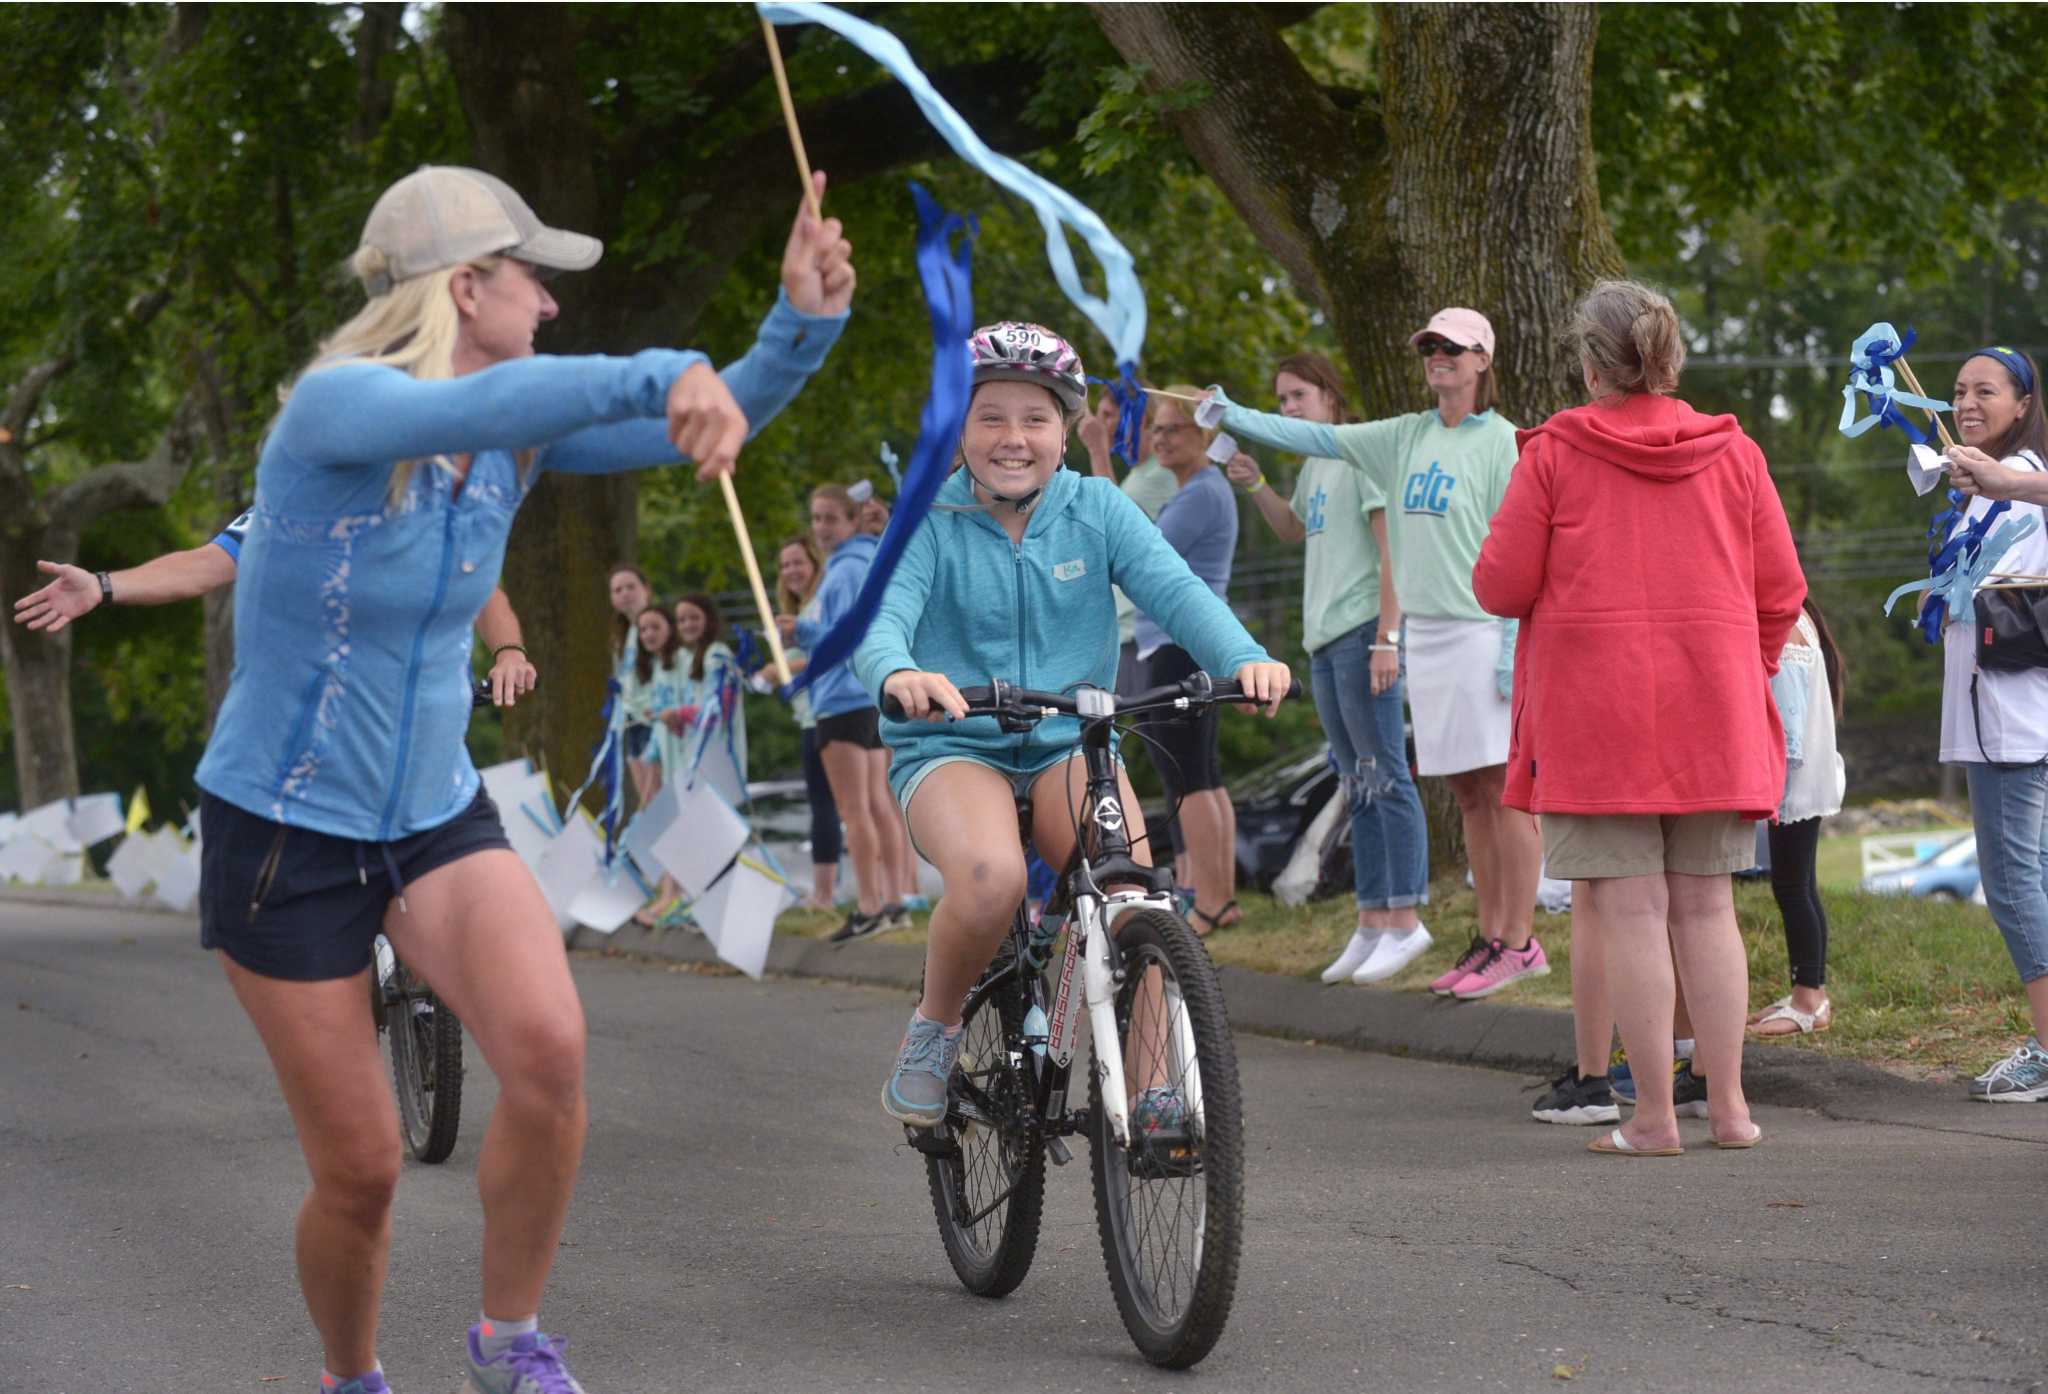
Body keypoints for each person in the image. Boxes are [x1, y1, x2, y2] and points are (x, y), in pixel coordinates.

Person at [185, 163, 851, 1393]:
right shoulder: (333, 410)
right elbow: (581, 393)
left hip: (432, 810)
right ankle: (351, 1376)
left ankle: (506, 1341)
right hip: (282, 830)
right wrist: (663, 366)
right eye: (534, 280)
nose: (549, 305)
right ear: (467, 285)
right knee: (365, 1168)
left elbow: (708, 414)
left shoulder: (515, 432)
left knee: (548, 1049)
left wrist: (795, 325)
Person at [852, 321, 1292, 1128]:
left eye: (1035, 417)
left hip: (1070, 744)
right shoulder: (926, 518)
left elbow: (1179, 590)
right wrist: (900, 673)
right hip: (955, 745)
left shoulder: (1097, 509)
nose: (1012, 438)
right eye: (990, 416)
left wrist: (1246, 657)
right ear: (957, 427)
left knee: (1135, 897)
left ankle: (1156, 1088)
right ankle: (935, 1028)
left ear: (1065, 431)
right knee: (991, 880)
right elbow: (880, 622)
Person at [1473, 279, 1802, 1153]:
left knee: (1629, 913)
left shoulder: (1551, 455)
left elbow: (1499, 585)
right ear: (1670, 358)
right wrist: (1739, 668)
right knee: (1706, 911)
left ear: (1589, 365)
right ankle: (1729, 1111)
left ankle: (1654, 1117)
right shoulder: (1737, 456)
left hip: (1597, 717)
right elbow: (1783, 595)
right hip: (1717, 713)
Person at [1208, 308, 1549, 999]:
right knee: (1467, 795)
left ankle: (1521, 940)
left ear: (1483, 360)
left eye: (1453, 347)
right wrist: (1233, 414)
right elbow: (1307, 434)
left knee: (1507, 793)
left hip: (1484, 632)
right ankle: (1488, 938)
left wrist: (1513, 647)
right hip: (1431, 638)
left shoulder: (1505, 442)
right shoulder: (1404, 436)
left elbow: (1525, 552)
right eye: (1429, 346)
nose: (1438, 356)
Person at [1224, 353, 1432, 982]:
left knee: (1385, 775)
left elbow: (1390, 548)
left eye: (1298, 397)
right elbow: (1293, 529)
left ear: (1331, 397)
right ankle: (1372, 920)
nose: (1288, 409)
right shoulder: (1315, 466)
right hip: (1323, 642)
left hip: (1364, 632)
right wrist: (1255, 484)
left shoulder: (1356, 454)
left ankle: (1407, 918)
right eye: (1281, 400)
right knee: (1355, 782)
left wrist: (1387, 639)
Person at [13, 514, 539, 705]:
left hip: (433, 733)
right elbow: (203, 565)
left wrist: (509, 653)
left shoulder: (445, 506)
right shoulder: (298, 507)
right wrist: (103, 586)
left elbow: (483, 591)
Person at [1922, 344, 2048, 1101]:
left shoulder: (2026, 475)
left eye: (1987, 391)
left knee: (2011, 885)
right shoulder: (1974, 487)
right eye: (1959, 391)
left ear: (2024, 404)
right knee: (2036, 879)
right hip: (1999, 718)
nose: (1967, 402)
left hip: (2011, 723)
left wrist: (2006, 479)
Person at [1132, 386, 1250, 934]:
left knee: (1188, 779)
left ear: (1202, 432)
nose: (1160, 438)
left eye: (1173, 428)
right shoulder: (1199, 490)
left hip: (1180, 645)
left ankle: (1209, 899)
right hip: (1183, 645)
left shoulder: (1203, 491)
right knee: (1203, 776)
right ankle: (1219, 897)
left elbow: (1142, 556)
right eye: (1155, 428)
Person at [780, 483, 910, 940]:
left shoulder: (844, 571)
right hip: (866, 696)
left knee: (857, 811)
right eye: (815, 518)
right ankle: (893, 901)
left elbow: (846, 634)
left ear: (853, 521)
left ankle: (872, 903)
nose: (820, 528)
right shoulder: (863, 563)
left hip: (841, 697)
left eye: (830, 519)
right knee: (877, 806)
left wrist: (803, 632)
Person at [1751, 598, 1846, 1038]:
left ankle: (1809, 998)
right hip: (1807, 780)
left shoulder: (1785, 624)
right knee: (1800, 885)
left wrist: (1767, 790)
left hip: (1794, 784)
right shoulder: (1802, 617)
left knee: (1792, 888)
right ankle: (1808, 992)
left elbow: (1786, 729)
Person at [1077, 381, 1175, 694]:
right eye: (1101, 415)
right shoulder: (1139, 474)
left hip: (1143, 628)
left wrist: (1096, 449)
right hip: (1127, 628)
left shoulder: (1162, 472)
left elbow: (1114, 521)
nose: (1102, 425)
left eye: (1110, 416)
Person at [773, 535, 843, 910]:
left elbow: (831, 649)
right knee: (825, 804)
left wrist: (781, 669)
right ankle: (827, 891)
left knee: (837, 806)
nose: (791, 571)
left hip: (829, 711)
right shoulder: (800, 609)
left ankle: (829, 894)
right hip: (809, 715)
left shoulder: (818, 606)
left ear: (815, 564)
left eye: (798, 562)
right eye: (785, 566)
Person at [672, 593, 746, 796]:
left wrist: (681, 714)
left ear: (709, 620)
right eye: (681, 620)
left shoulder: (717, 653)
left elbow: (717, 709)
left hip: (716, 753)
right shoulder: (693, 658)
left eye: (694, 618)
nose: (687, 625)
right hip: (698, 753)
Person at [607, 562, 659, 808]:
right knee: (646, 800)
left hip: (653, 719)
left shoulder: (656, 626)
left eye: (630, 587)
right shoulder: (622, 634)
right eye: (617, 590)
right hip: (630, 721)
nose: (624, 594)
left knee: (659, 795)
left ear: (646, 590)